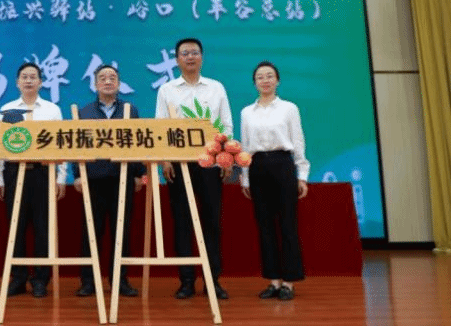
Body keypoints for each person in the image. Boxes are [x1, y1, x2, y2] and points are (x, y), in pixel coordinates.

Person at [155, 37, 232, 300]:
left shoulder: (216, 88)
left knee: (212, 220)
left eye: (195, 52)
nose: (190, 57)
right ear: (177, 59)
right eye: (185, 53)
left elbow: (226, 125)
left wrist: (225, 157)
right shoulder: (167, 90)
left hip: (210, 161)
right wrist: (165, 160)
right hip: (179, 164)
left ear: (202, 57)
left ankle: (213, 280)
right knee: (182, 222)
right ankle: (186, 280)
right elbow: (161, 126)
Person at [0, 62, 67, 298]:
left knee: (42, 226)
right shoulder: (7, 109)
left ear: (41, 82)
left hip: (42, 172)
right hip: (14, 172)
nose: (28, 80)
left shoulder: (52, 110)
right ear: (17, 82)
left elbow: (61, 145)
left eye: (33, 77)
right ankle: (18, 277)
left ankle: (40, 279)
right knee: (16, 225)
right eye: (24, 77)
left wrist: (61, 177)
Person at [73, 65, 145, 298]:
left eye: (112, 78)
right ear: (95, 84)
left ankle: (120, 281)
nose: (107, 81)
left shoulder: (129, 110)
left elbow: (137, 143)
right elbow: (74, 145)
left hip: (121, 179)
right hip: (93, 179)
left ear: (119, 84)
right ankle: (88, 281)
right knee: (91, 232)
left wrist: (138, 173)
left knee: (121, 232)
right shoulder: (84, 112)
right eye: (102, 78)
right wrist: (77, 174)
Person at [239, 61, 309, 301]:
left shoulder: (289, 108)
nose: (265, 80)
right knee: (265, 226)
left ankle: (289, 282)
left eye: (270, 76)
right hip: (257, 167)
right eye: (260, 77)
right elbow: (245, 146)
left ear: (277, 80)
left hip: (283, 165)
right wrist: (245, 178)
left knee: (288, 224)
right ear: (254, 83)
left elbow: (298, 141)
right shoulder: (246, 112)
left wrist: (302, 175)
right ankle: (274, 281)